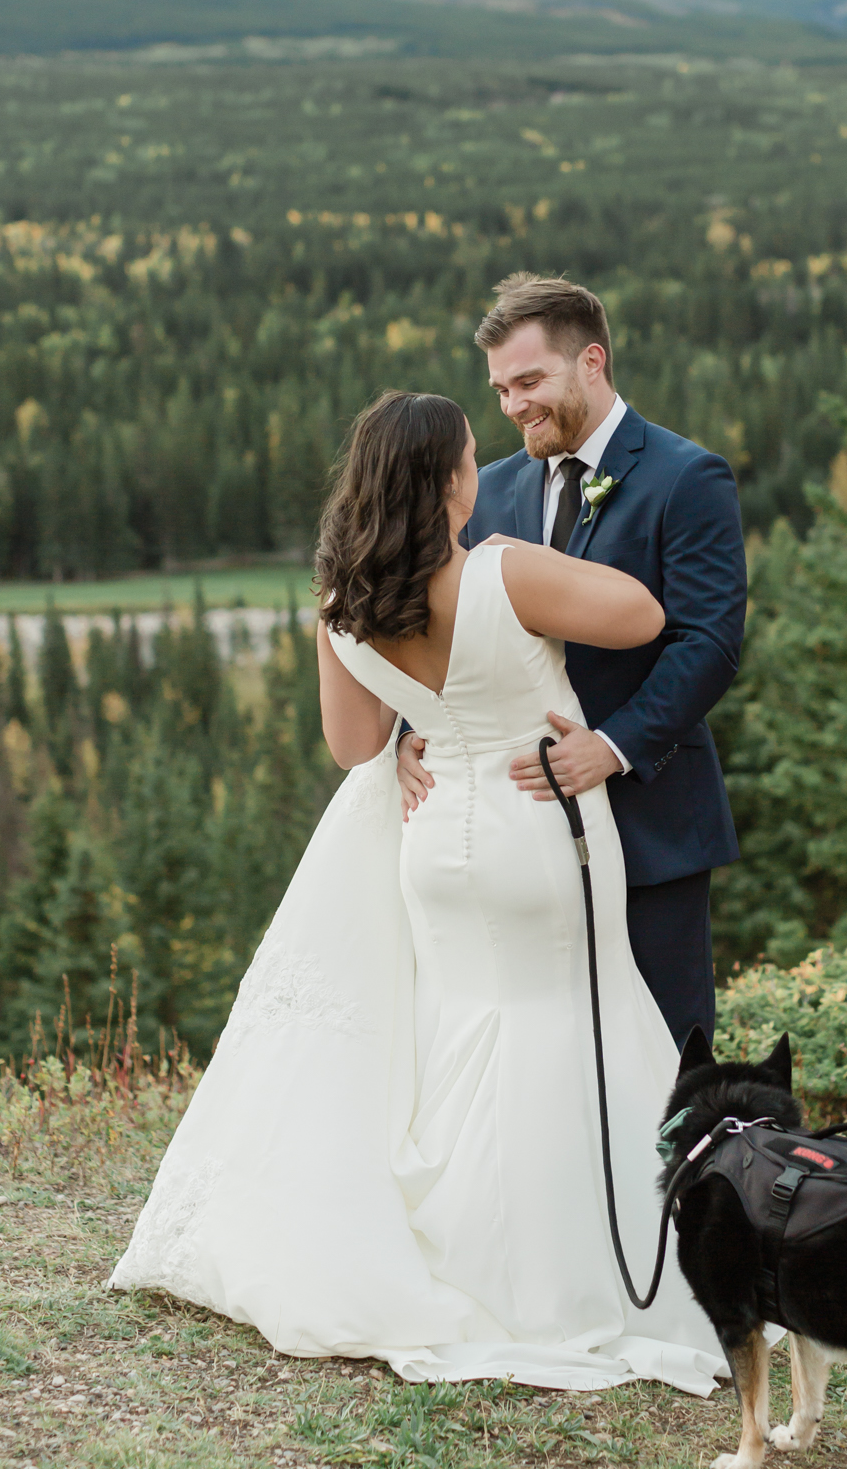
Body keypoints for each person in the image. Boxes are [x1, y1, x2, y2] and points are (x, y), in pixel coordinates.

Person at [110, 391, 724, 1393]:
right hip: (537, 827)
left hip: (435, 844)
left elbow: (356, 746)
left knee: (465, 1036)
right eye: (472, 461)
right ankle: (570, 1280)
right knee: (560, 1028)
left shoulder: (341, 604)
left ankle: (453, 1249)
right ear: (449, 483)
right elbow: (643, 614)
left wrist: (416, 725)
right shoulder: (502, 573)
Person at [398, 275, 745, 1048]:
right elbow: (430, 626)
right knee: (544, 1046)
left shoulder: (687, 477)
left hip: (650, 820)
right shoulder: (486, 489)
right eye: (499, 390)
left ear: (592, 361)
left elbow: (711, 640)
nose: (513, 406)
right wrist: (410, 736)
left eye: (529, 381)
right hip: (516, 834)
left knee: (664, 1051)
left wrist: (612, 748)